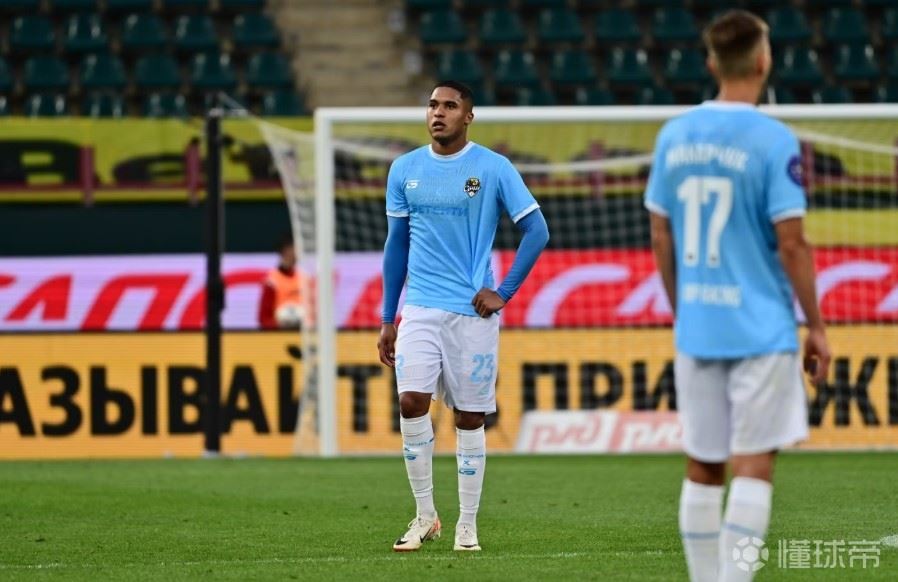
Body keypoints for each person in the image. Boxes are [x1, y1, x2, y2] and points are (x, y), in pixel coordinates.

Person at [643, 10, 832, 582]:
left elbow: (660, 233)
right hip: (760, 327)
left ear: (711, 63)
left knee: (703, 465)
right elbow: (792, 243)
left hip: (699, 326)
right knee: (753, 465)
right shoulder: (774, 140)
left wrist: (684, 310)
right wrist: (817, 325)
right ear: (762, 61)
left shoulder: (673, 136)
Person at [378, 80, 549, 552]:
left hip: (472, 313)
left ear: (468, 116)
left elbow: (537, 231)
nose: (438, 113)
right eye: (433, 105)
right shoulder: (404, 169)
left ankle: (467, 524)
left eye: (450, 106)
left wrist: (504, 292)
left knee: (470, 417)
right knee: (411, 401)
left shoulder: (493, 168)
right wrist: (389, 316)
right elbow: (396, 245)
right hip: (420, 308)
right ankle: (425, 515)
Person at [258, 233, 303, 329]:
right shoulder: (271, 281)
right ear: (285, 251)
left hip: (301, 332)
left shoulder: (303, 279)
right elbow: (264, 318)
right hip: (279, 333)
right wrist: (280, 326)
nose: (298, 253)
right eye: (294, 249)